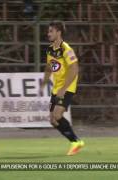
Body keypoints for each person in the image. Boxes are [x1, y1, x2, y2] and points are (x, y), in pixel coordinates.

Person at [39, 20, 84, 156]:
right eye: (48, 31)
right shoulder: (50, 50)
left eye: (51, 31)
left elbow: (75, 69)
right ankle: (75, 141)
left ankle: (76, 142)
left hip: (67, 87)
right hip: (57, 88)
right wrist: (44, 83)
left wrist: (64, 88)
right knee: (53, 120)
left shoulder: (66, 49)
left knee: (57, 115)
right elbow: (49, 67)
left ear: (59, 32)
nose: (48, 34)